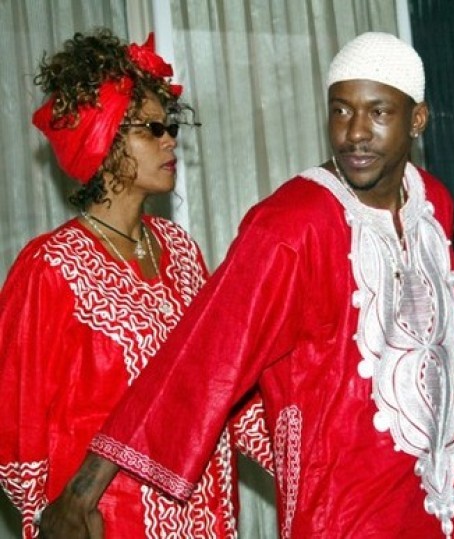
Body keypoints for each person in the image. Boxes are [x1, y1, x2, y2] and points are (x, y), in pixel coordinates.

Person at [39, 31, 454, 538]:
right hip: (344, 515)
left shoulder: (433, 204)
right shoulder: (290, 224)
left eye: (379, 113)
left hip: (448, 500)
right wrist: (81, 493)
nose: (355, 133)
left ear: (418, 120)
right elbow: (205, 354)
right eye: (340, 112)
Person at [0, 29, 270, 538]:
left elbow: (223, 386)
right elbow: (15, 426)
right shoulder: (50, 268)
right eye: (151, 128)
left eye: (170, 125)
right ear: (103, 139)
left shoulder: (183, 252)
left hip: (207, 519)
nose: (170, 139)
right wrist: (49, 518)